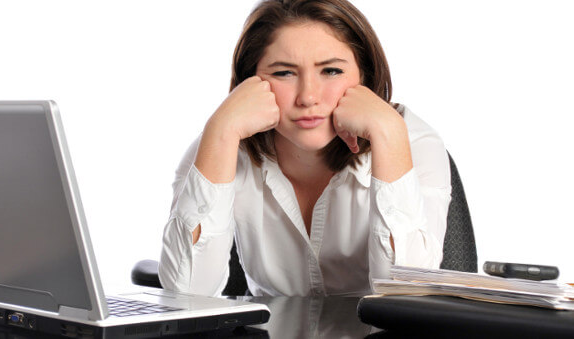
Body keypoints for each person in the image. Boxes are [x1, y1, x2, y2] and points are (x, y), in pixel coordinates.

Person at [159, 0, 451, 297]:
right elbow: (186, 295)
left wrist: (388, 135)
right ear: (250, 82)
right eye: (284, 73)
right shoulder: (221, 140)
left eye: (332, 71)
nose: (308, 97)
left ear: (363, 74)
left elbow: (407, 299)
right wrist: (221, 131)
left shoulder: (414, 142)